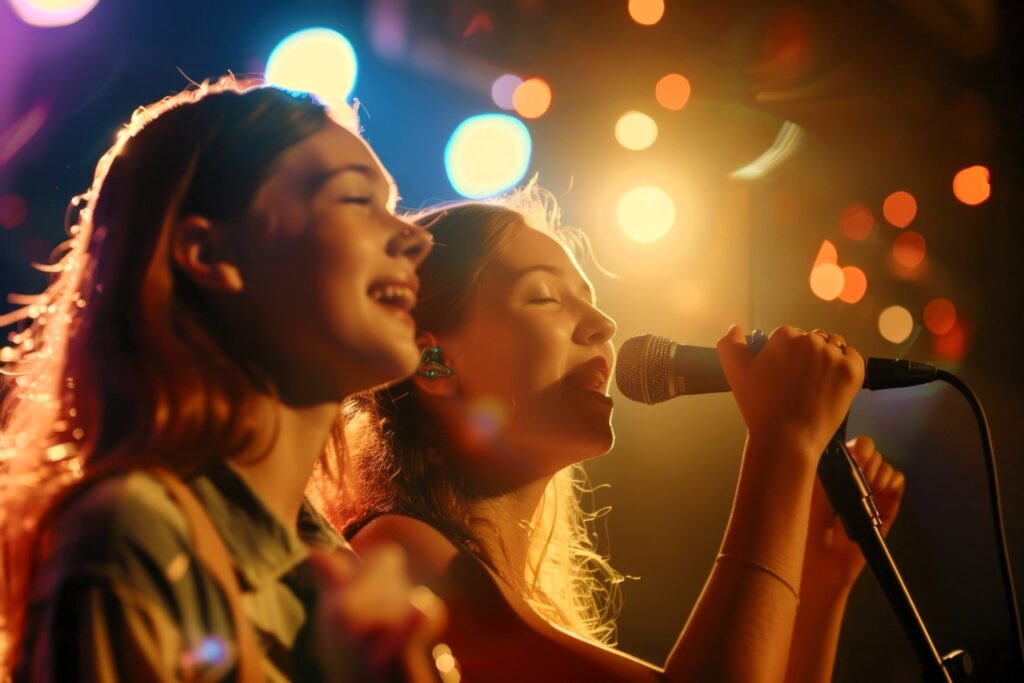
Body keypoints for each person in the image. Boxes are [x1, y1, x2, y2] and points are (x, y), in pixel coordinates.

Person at [332, 187, 906, 681]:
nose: (605, 326)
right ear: (432, 361)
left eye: (594, 302)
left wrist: (822, 582)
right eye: (545, 297)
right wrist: (785, 444)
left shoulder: (505, 592)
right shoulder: (394, 554)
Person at [0, 77, 443, 681]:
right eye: (355, 201)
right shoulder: (138, 535)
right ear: (208, 255)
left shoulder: (330, 565)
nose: (414, 238)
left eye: (391, 208)